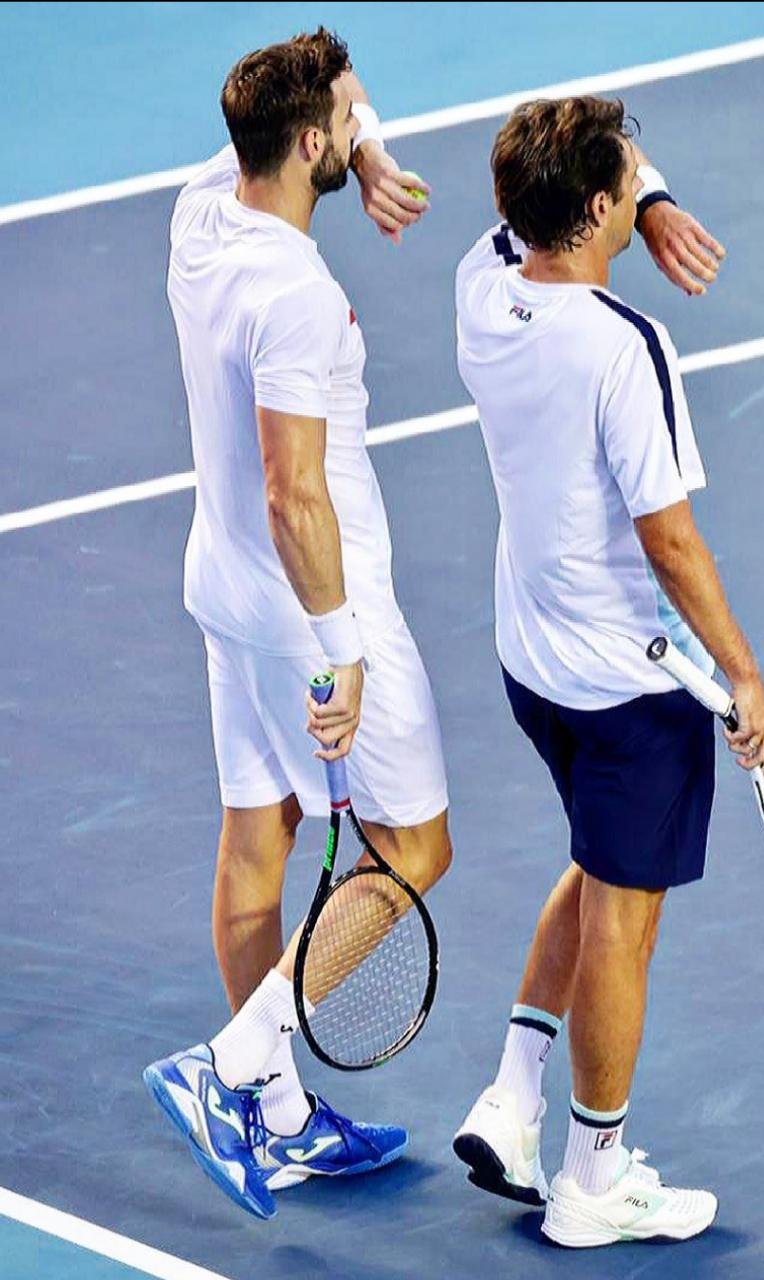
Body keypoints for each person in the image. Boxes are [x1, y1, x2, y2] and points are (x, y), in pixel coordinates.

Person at [452, 96, 764, 1249]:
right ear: (596, 208)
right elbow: (669, 541)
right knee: (623, 926)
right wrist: (743, 677)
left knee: (596, 863)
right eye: (624, 185)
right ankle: (592, 1177)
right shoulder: (622, 347)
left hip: (528, 661)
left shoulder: (480, 283)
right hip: (626, 686)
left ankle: (512, 1096)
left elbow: (564, 171)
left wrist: (642, 199)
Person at [142, 29, 451, 1220]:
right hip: (311, 609)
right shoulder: (298, 296)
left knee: (257, 831)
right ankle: (229, 1061)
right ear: (307, 140)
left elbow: (338, 75)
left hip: (221, 584)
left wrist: (364, 156)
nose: (356, 122)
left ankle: (274, 1118)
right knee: (412, 847)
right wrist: (341, 649)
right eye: (342, 125)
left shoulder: (200, 210)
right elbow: (294, 493)